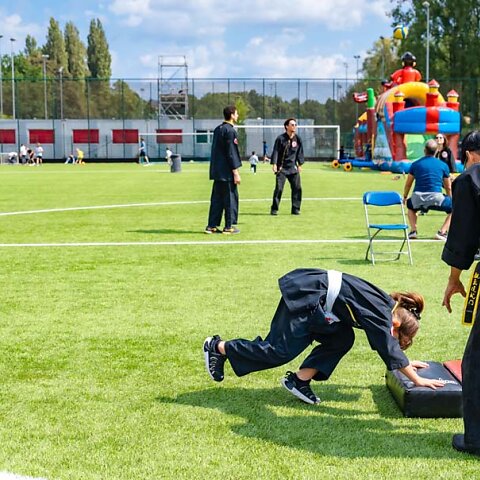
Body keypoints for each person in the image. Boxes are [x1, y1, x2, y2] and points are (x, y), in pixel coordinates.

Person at [204, 268, 445, 405]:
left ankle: (299, 381)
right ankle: (218, 347)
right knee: (278, 352)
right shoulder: (382, 314)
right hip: (308, 295)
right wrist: (417, 380)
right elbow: (388, 348)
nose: (393, 338)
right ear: (396, 324)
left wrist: (405, 362)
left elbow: (390, 347)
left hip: (320, 303)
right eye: (397, 336)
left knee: (342, 339)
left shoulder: (387, 307)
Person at [441, 130, 480, 457]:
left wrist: (454, 279)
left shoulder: (469, 179)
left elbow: (462, 236)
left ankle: (476, 439)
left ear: (467, 153)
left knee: (476, 361)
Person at [403, 139, 452, 241]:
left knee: (411, 207)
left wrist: (405, 197)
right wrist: (450, 198)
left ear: (424, 150)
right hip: (436, 198)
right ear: (437, 151)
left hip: (418, 198)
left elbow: (408, 184)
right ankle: (442, 232)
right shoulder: (443, 165)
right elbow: (448, 186)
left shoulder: (415, 164)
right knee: (455, 208)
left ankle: (413, 230)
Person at [205, 105, 242, 235]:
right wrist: (236, 172)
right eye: (236, 113)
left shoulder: (218, 129)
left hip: (217, 171)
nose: (237, 116)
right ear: (231, 115)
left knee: (217, 200)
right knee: (230, 199)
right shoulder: (230, 131)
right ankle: (228, 227)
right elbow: (231, 152)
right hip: (227, 173)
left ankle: (211, 226)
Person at [270, 118, 305, 215]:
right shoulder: (280, 139)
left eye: (295, 125)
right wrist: (274, 164)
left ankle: (295, 209)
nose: (294, 126)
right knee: (279, 189)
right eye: (292, 125)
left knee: (297, 188)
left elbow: (300, 152)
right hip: (282, 168)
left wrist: (300, 164)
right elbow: (276, 151)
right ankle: (274, 209)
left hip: (293, 168)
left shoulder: (298, 139)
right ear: (286, 126)